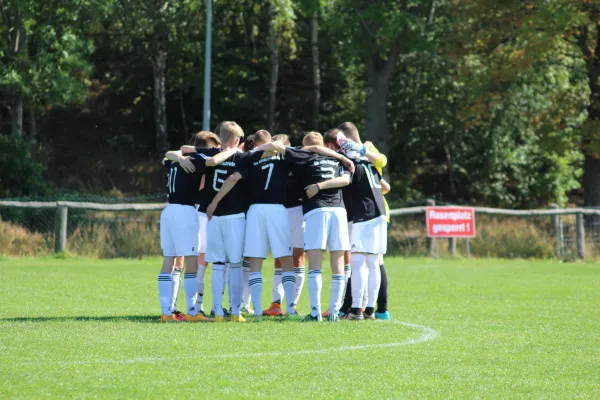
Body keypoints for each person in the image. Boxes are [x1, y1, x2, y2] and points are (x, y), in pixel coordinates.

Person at [259, 132, 355, 322]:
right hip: (339, 211)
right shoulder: (338, 160)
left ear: (305, 146)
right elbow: (346, 180)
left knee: (315, 265)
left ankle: (315, 312)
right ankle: (334, 312)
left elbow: (280, 146)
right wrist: (340, 157)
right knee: (338, 264)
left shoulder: (304, 156)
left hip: (316, 211)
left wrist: (317, 186)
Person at [323, 128, 389, 320]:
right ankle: (369, 310)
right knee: (373, 262)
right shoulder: (369, 162)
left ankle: (355, 310)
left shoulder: (348, 164)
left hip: (363, 214)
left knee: (358, 262)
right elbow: (385, 186)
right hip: (380, 213)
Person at [158, 131, 221, 322]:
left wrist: (177, 154)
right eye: (212, 146)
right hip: (185, 212)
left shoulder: (176, 160)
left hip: (168, 211)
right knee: (192, 261)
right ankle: (193, 312)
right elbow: (214, 160)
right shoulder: (200, 158)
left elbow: (166, 156)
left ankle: (166, 312)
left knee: (169, 261)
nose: (214, 150)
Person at [263, 133, 306, 317]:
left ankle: (293, 303)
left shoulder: (297, 159)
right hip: (278, 212)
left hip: (298, 211)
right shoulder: (269, 162)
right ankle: (276, 303)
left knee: (298, 258)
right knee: (279, 259)